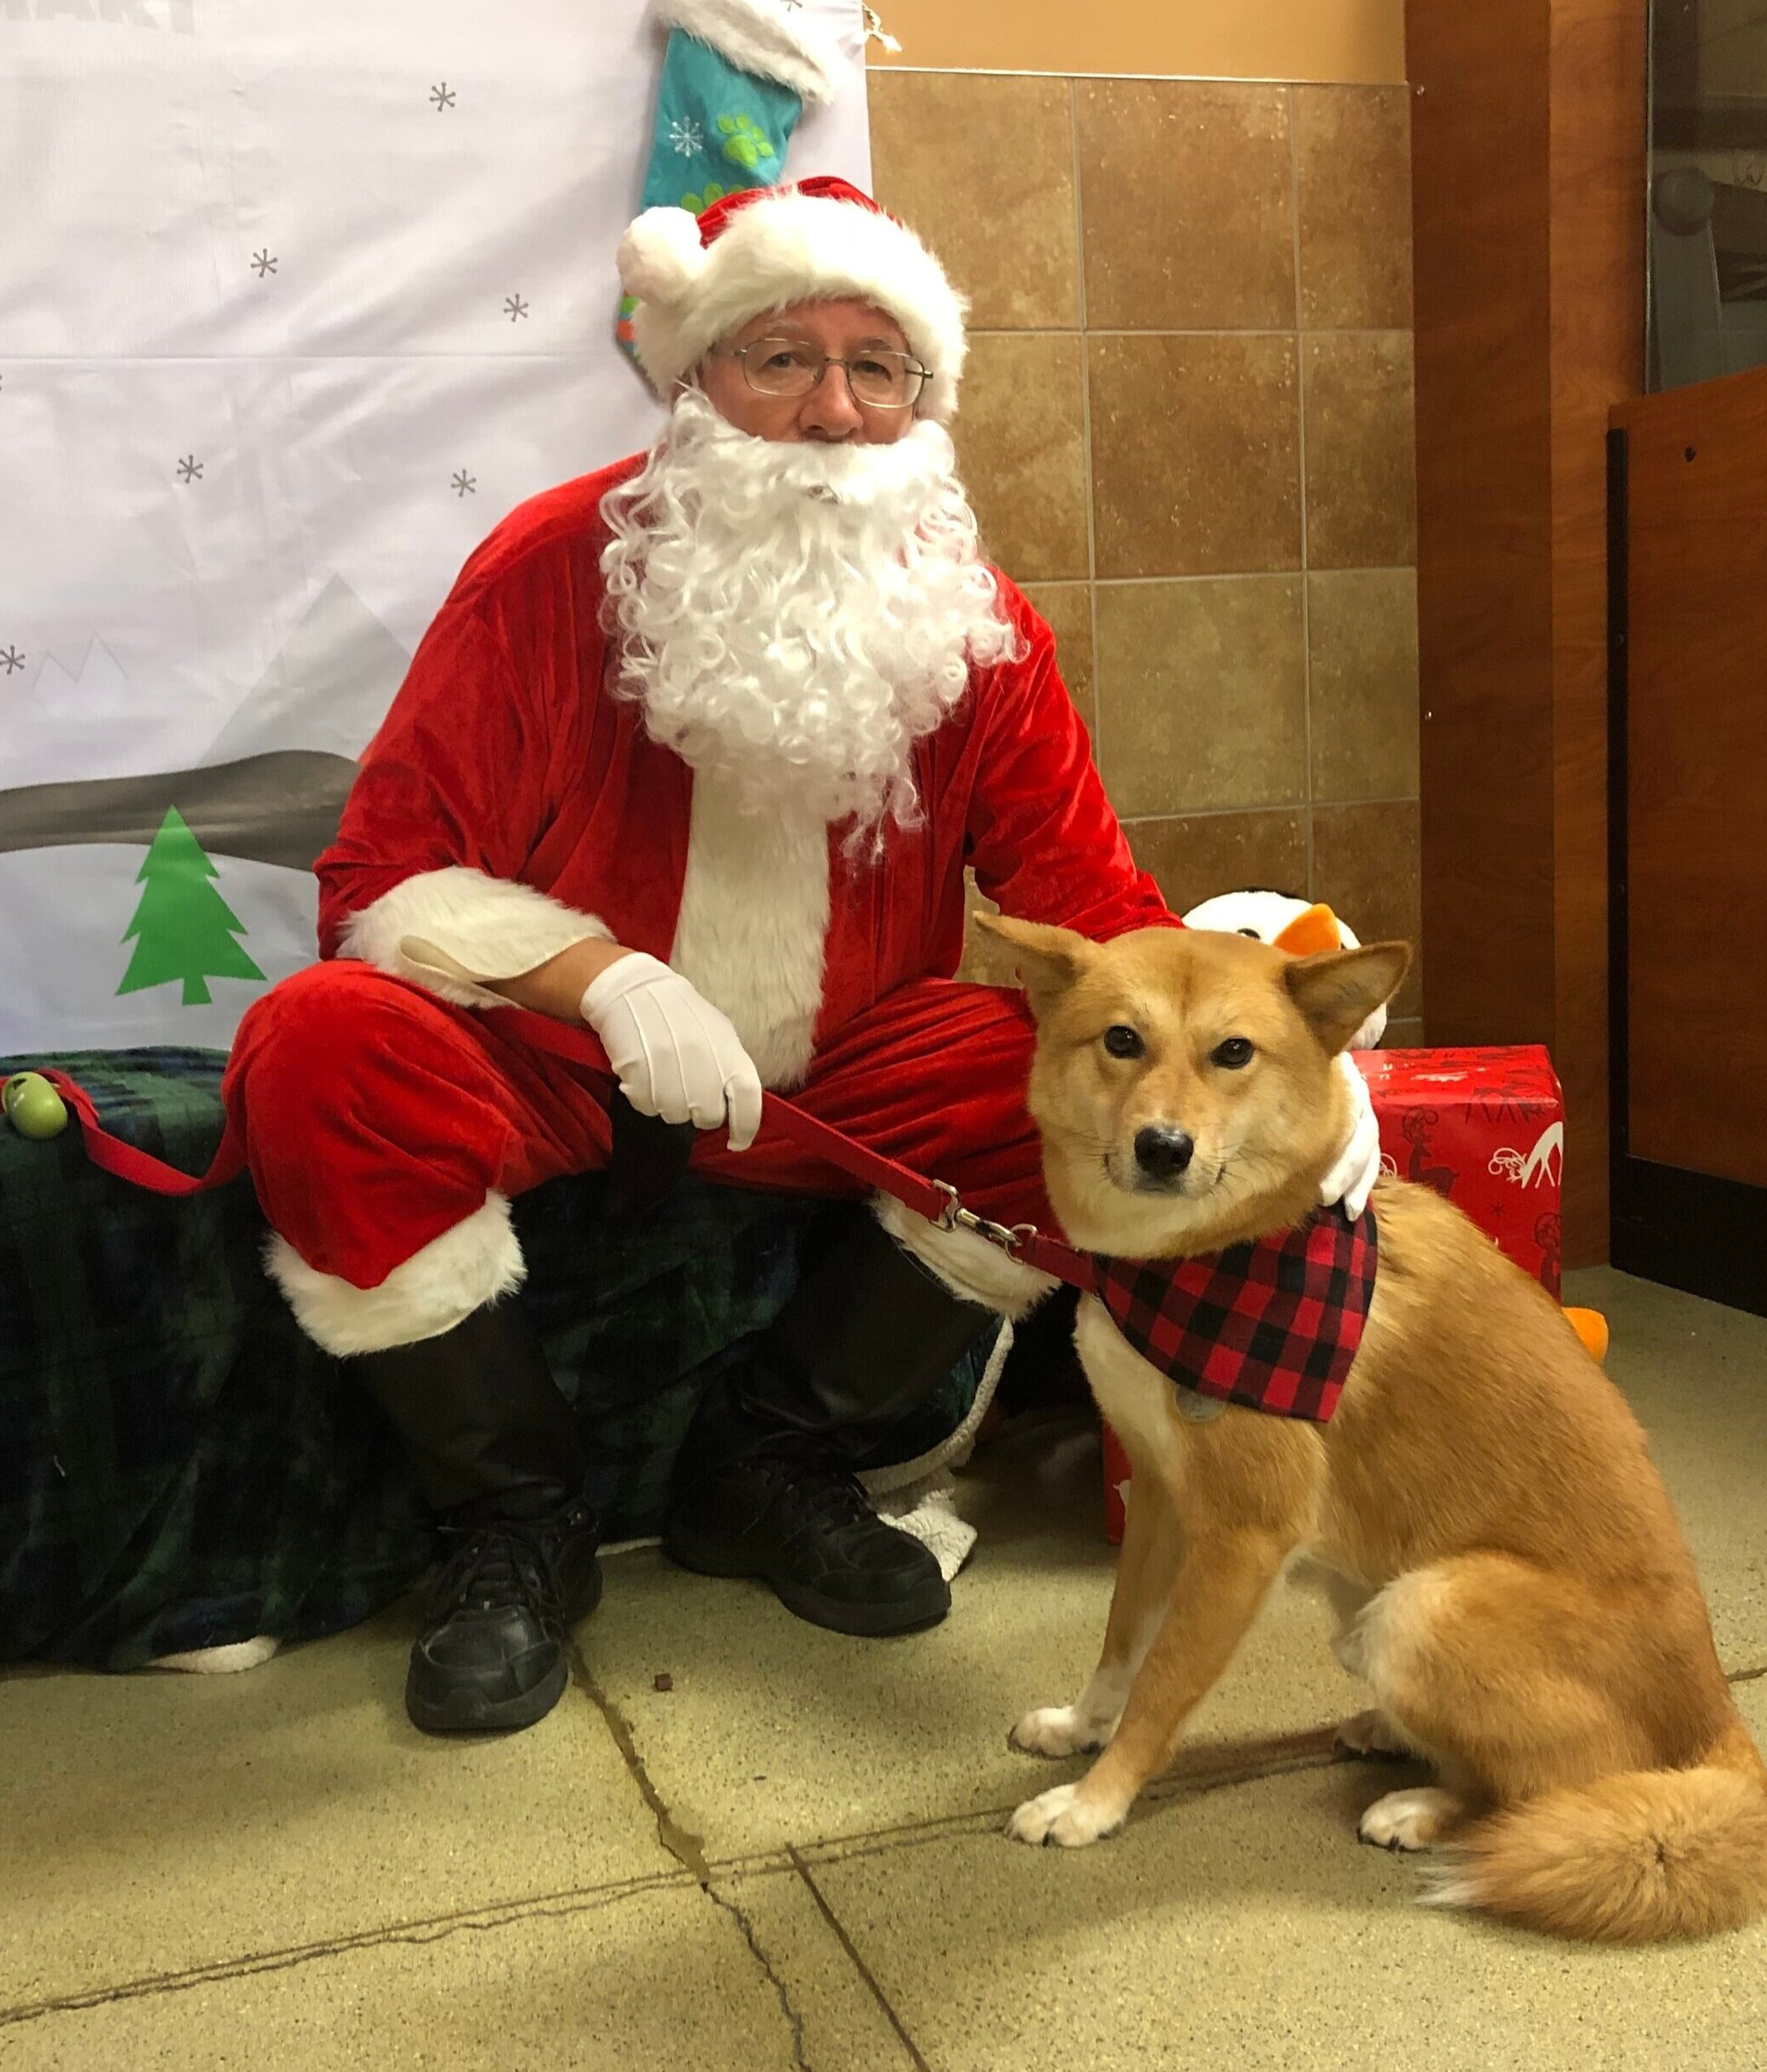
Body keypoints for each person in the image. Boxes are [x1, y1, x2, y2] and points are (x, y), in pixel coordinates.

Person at [222, 177, 1381, 1736]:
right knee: (322, 1042)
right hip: (554, 1057)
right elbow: (383, 875)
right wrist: (607, 981)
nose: (832, 411)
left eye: (876, 366)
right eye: (780, 358)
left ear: (924, 401)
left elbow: (1103, 921)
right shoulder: (552, 566)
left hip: (844, 1068)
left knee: (1072, 1105)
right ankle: (513, 1526)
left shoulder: (981, 630)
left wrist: (1292, 1064)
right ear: (694, 379)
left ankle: (766, 1464)